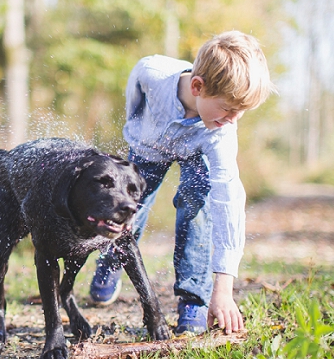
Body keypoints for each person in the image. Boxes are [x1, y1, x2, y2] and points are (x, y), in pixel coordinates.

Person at [89, 30, 276, 336]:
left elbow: (228, 200)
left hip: (196, 150)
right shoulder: (152, 73)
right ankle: (112, 258)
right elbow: (134, 92)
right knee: (128, 208)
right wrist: (136, 130)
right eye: (228, 109)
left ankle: (194, 300)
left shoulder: (220, 132)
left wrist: (224, 288)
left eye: (241, 112)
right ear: (198, 86)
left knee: (196, 207)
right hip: (148, 144)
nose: (234, 120)